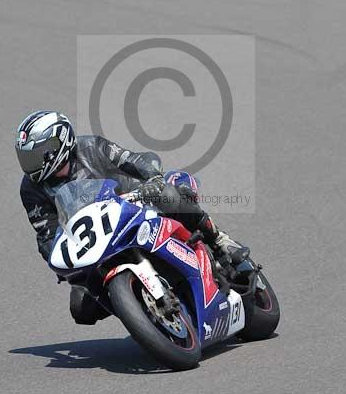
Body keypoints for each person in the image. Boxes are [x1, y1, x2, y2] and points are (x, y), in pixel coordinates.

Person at [16, 110, 251, 325]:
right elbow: (46, 233)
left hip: (136, 205)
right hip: (96, 240)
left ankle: (219, 241)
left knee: (169, 194)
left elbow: (134, 159)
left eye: (36, 155)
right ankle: (141, 311)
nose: (31, 166)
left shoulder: (91, 146)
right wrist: (62, 263)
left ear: (59, 143)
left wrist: (153, 179)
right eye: (26, 158)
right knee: (81, 307)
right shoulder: (31, 189)